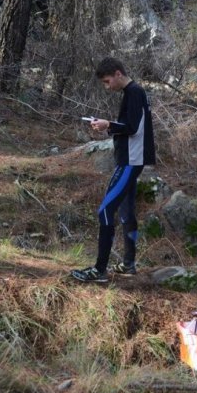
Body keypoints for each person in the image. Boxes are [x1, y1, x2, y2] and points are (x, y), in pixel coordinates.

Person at [72, 57, 155, 283]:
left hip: (131, 161)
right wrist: (109, 126)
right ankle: (128, 265)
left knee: (105, 210)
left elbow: (132, 127)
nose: (107, 87)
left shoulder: (135, 92)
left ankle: (100, 270)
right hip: (128, 159)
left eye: (108, 82)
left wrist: (108, 125)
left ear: (118, 74)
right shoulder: (131, 93)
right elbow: (129, 126)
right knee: (127, 211)